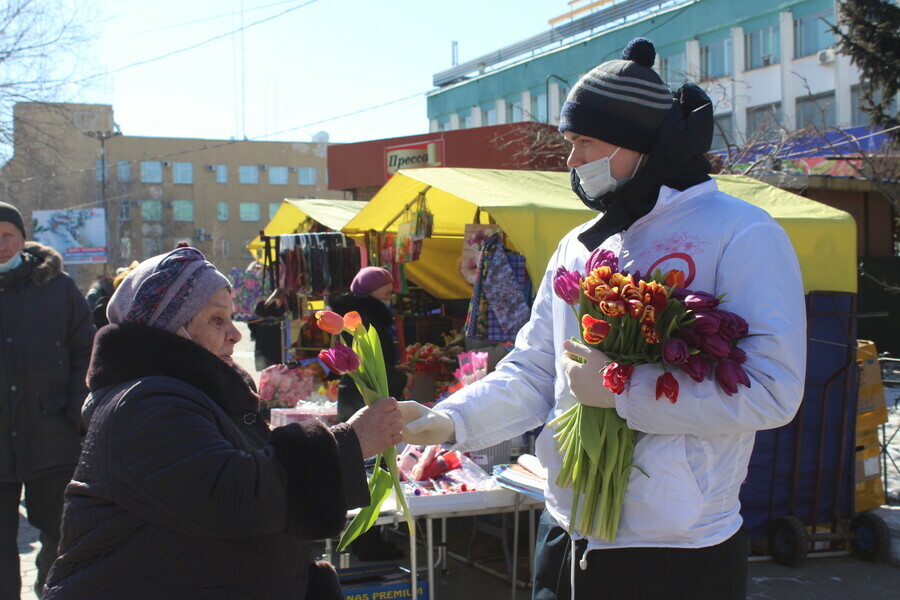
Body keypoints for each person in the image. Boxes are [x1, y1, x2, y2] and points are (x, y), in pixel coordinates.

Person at [398, 38, 807, 600]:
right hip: (565, 531)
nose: (571, 161)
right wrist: (449, 421)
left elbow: (772, 391)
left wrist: (622, 391)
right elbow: (536, 370)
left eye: (583, 142)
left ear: (641, 140)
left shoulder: (742, 233)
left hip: (675, 549)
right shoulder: (582, 245)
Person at [42, 247, 404, 599]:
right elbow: (233, 494)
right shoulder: (144, 404)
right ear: (169, 329)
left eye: (231, 319)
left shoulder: (189, 395)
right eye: (217, 320)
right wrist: (349, 443)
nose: (234, 334)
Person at [0, 201, 95, 599]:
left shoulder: (57, 288)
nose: (0, 244)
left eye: (7, 235)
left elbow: (85, 352)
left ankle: (51, 592)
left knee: (60, 532)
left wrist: (73, 412)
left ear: (23, 238)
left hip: (52, 432)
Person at [327, 266, 408, 561]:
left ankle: (362, 538)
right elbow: (371, 368)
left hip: (355, 397)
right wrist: (398, 379)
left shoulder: (350, 317)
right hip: (367, 402)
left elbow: (362, 364)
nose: (389, 297)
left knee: (359, 468)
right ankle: (368, 541)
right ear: (371, 292)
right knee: (371, 470)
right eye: (385, 291)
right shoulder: (367, 319)